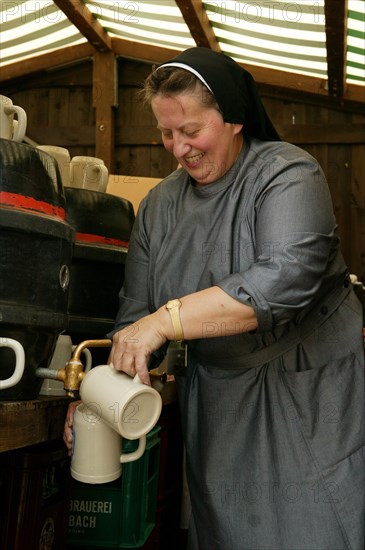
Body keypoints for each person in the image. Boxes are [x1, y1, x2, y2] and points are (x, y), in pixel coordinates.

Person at [64, 47, 364, 549]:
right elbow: (135, 315)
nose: (178, 149)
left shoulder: (288, 174)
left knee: (318, 528)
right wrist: (99, 394)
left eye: (191, 131)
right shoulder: (160, 208)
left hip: (308, 394)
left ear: (233, 120)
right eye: (166, 133)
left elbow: (285, 278)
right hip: (221, 407)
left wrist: (167, 320)